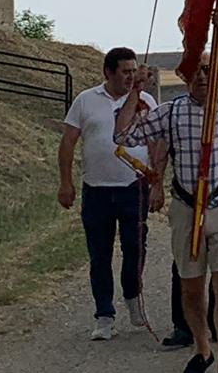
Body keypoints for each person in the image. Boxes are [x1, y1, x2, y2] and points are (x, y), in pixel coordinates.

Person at [114, 7, 218, 373]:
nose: (202, 77)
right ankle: (202, 346)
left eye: (209, 70)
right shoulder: (172, 111)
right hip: (187, 206)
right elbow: (124, 135)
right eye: (196, 70)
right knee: (191, 287)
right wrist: (135, 92)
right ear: (185, 75)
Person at [59, 46, 155, 341]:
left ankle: (132, 295)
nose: (130, 77)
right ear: (108, 72)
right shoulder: (86, 100)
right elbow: (68, 143)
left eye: (133, 70)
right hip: (97, 189)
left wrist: (158, 182)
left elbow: (156, 142)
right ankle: (104, 313)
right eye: (125, 71)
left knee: (135, 248)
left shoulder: (145, 100)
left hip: (133, 187)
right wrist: (66, 183)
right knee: (99, 255)